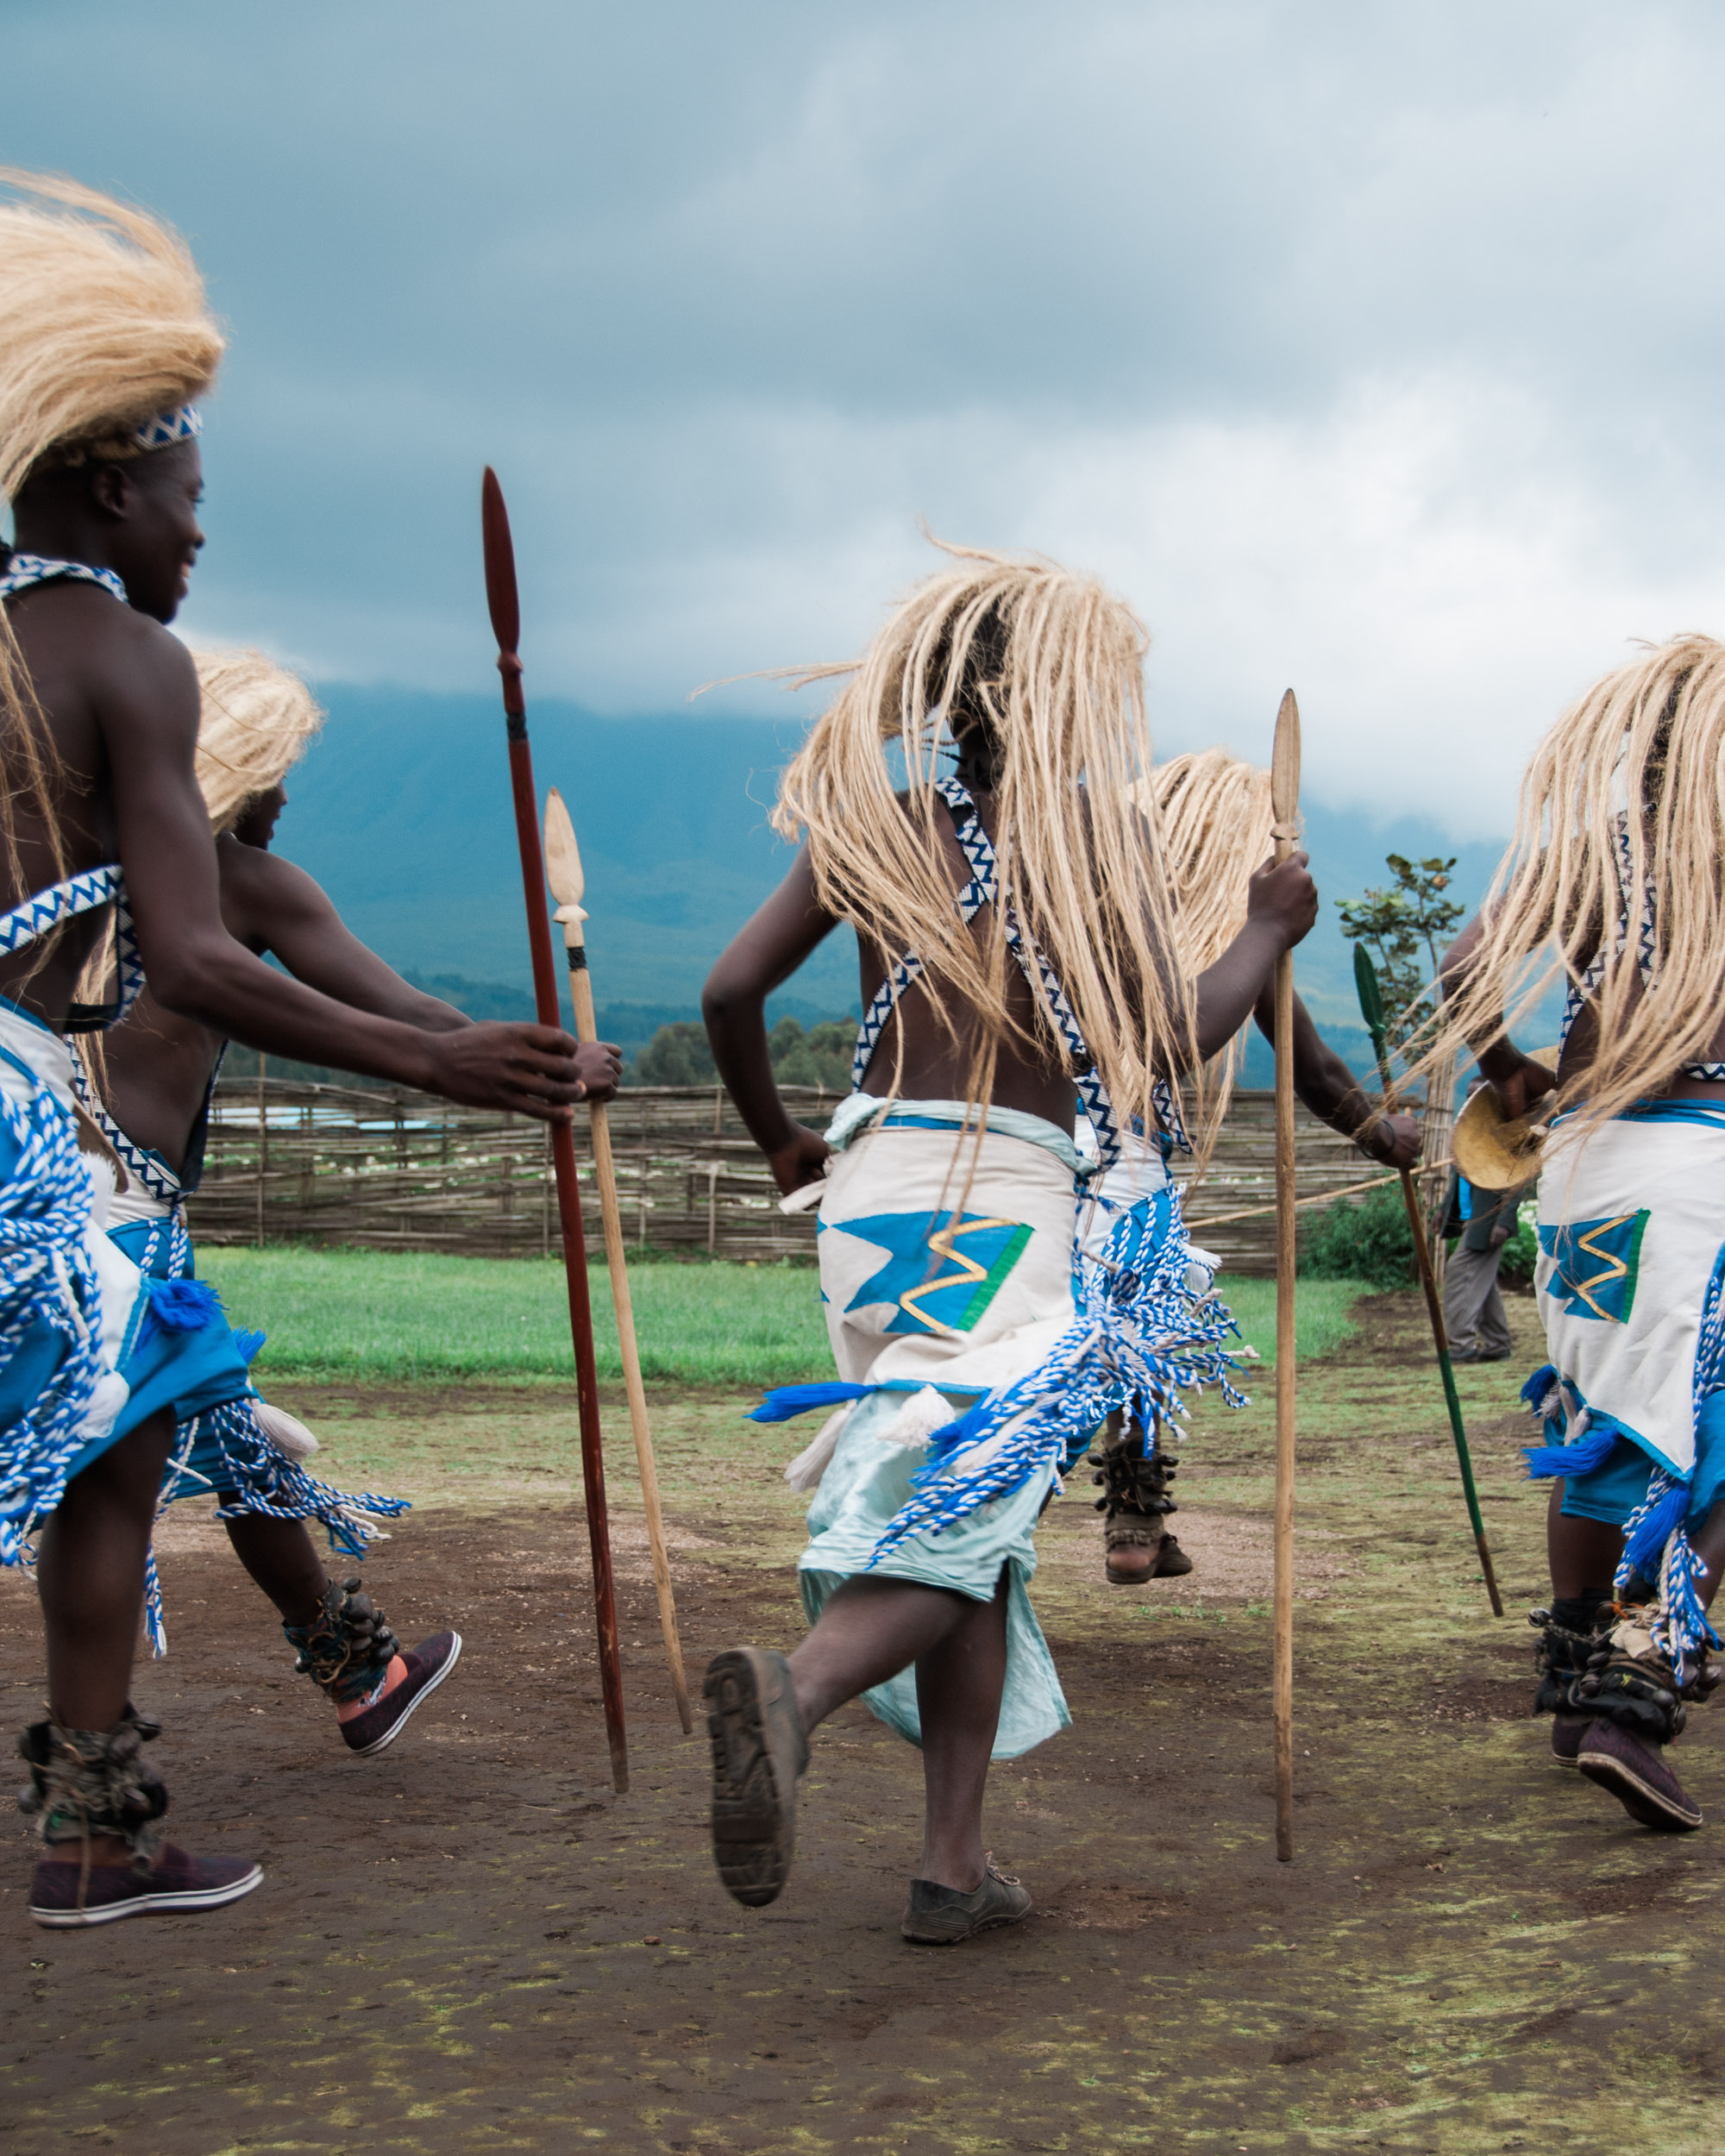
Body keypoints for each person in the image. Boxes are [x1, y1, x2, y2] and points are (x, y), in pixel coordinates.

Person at [0, 170, 586, 1927]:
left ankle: (127, 1804)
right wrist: (448, 1067)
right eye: (190, 492)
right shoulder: (120, 654)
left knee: (138, 1425)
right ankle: (98, 1829)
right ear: (113, 476)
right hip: (28, 1113)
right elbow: (189, 950)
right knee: (120, 1440)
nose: (200, 532)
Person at [699, 544, 1317, 1940]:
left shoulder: (873, 827)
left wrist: (784, 1146)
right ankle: (789, 1697)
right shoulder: (1093, 848)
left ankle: (953, 1865)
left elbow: (730, 991)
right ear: (1067, 704)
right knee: (968, 1501)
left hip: (867, 1200)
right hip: (1006, 1208)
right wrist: (1269, 928)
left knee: (980, 1522)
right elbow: (1165, 1050)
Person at [75, 649, 624, 1749]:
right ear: (228, 773)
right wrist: (551, 1063)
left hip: (38, 1195)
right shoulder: (238, 882)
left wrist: (538, 1060)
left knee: (232, 1438)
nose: (285, 800)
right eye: (275, 774)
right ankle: (107, 1776)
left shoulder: (51, 867)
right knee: (142, 1472)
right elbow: (413, 1014)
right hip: (120, 1224)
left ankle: (357, 1672)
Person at [1437, 633, 1725, 1834]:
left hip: (1586, 1174)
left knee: (1603, 1429)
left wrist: (1511, 1076)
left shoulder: (1589, 857)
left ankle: (1568, 1669)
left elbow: (1462, 969)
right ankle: (1637, 1681)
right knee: (1708, 1444)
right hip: (1700, 1166)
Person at [1085, 750, 1423, 1587]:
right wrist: (1387, 1138)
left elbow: (1309, 1066)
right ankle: (1088, 1526)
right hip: (1112, 1169)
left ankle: (1131, 1523)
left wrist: (1387, 1139)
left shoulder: (1079, 913)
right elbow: (1312, 1070)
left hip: (1009, 1157)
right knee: (1132, 1341)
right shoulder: (1226, 945)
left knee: (1130, 1345)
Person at [1437, 1095, 1528, 1366]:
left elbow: (1518, 1180)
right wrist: (1444, 1211)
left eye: (1479, 1097)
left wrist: (1504, 1221)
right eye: (1469, 1097)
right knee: (1482, 1283)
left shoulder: (1504, 1137)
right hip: (1472, 1220)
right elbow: (1458, 1179)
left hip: (1488, 1224)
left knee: (1458, 1275)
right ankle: (1498, 1344)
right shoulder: (1469, 1136)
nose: (1471, 1102)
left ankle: (1461, 1344)